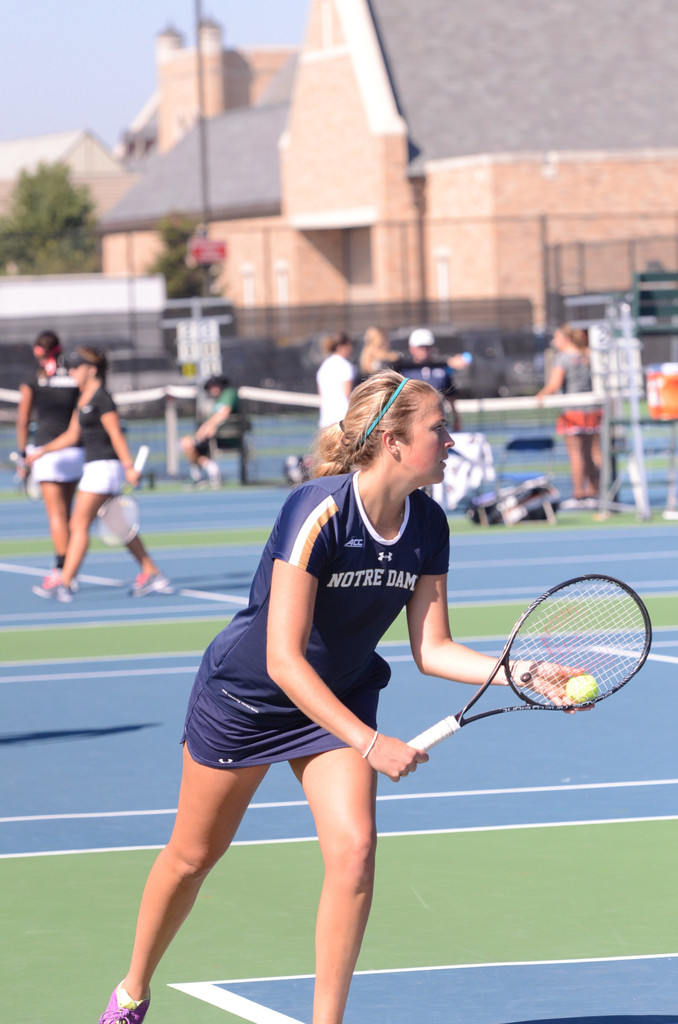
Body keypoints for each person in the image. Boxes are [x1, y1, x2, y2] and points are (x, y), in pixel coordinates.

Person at [95, 369, 573, 1024]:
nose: (453, 441)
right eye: (440, 429)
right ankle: (133, 991)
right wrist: (371, 743)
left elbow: (432, 648)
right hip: (249, 699)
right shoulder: (318, 508)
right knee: (192, 857)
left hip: (341, 696)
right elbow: (283, 658)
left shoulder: (429, 523)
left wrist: (521, 673)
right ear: (395, 442)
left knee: (354, 854)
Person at [26, 346, 171, 603]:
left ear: (91, 369)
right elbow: (72, 435)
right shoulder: (82, 398)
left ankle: (66, 582)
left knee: (78, 524)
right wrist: (42, 451)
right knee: (119, 526)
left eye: (75, 367)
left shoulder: (102, 398)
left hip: (105, 468)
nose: (71, 372)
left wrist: (129, 466)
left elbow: (116, 434)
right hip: (95, 468)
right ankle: (153, 573)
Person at [16, 330, 85, 594]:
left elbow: (23, 420)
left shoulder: (34, 379)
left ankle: (61, 569)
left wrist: (23, 454)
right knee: (67, 514)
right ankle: (69, 571)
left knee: (56, 515)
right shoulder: (75, 376)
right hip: (74, 451)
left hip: (46, 451)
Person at [535, 325, 602, 509]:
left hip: (573, 412)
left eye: (557, 338)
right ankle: (594, 491)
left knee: (576, 454)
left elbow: (554, 383)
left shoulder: (563, 358)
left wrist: (541, 396)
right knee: (590, 454)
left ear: (566, 339)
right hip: (593, 411)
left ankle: (579, 495)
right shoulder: (588, 355)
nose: (554, 342)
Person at [394, 327, 463, 430]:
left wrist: (456, 418)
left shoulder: (442, 371)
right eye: (421, 347)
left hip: (438, 421)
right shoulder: (403, 371)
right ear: (412, 348)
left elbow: (451, 396)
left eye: (427, 347)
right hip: (412, 422)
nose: (425, 350)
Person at [180, 375, 239, 488]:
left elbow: (223, 414)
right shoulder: (217, 400)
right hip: (211, 438)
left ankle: (204, 473)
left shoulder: (228, 393)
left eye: (216, 385)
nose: (213, 388)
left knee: (187, 443)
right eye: (211, 386)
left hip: (225, 437)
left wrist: (206, 428)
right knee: (186, 443)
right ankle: (206, 471)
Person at [316, 331, 355, 428]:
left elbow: (322, 396)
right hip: (342, 421)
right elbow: (347, 394)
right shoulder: (345, 366)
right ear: (341, 347)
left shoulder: (323, 367)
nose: (351, 349)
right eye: (349, 345)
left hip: (326, 421)